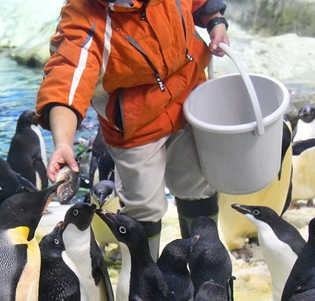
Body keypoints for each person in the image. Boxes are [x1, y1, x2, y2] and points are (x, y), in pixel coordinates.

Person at [36, 0, 230, 260]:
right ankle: (146, 285)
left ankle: (204, 268)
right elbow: (68, 77)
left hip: (188, 98)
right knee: (143, 209)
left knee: (198, 189)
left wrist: (214, 20)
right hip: (135, 124)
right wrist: (63, 142)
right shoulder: (86, 15)